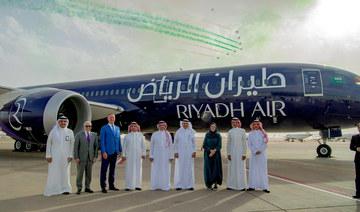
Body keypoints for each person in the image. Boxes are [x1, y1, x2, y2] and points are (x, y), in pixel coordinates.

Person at [44, 116, 75, 196]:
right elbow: (49, 143)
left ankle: (65, 189)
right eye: (61, 121)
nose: (63, 123)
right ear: (58, 122)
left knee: (65, 173)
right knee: (54, 173)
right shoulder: (53, 132)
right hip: (54, 157)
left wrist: (71, 155)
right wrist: (48, 155)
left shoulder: (70, 132)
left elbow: (72, 145)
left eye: (64, 121)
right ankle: (53, 189)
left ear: (67, 122)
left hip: (66, 157)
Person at [74, 121, 99, 194]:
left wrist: (95, 156)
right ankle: (79, 188)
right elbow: (76, 147)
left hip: (90, 158)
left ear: (91, 127)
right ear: (84, 127)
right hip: (81, 158)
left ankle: (87, 187)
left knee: (89, 174)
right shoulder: (79, 135)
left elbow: (96, 147)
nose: (88, 127)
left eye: (89, 126)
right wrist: (76, 157)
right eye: (86, 126)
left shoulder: (94, 135)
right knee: (80, 174)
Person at [100, 113, 122, 193]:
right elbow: (102, 141)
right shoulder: (104, 128)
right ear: (108, 119)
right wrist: (103, 151)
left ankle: (111, 185)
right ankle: (103, 186)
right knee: (104, 170)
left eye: (113, 118)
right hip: (107, 152)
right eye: (110, 118)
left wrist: (120, 150)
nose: (112, 119)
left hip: (115, 152)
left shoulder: (117, 128)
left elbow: (118, 139)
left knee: (112, 170)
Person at [150, 121, 174, 190]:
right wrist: (151, 155)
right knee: (156, 170)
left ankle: (165, 185)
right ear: (158, 126)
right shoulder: (154, 134)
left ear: (165, 126)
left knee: (165, 170)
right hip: (156, 155)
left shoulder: (168, 134)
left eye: (163, 125)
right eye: (160, 125)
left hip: (166, 156)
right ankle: (155, 185)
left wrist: (171, 156)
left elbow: (170, 146)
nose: (162, 127)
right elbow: (151, 146)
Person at [122, 122, 146, 191]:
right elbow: (124, 146)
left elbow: (143, 146)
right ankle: (128, 186)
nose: (133, 127)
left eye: (135, 126)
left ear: (137, 127)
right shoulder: (127, 136)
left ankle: (137, 185)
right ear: (130, 128)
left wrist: (143, 153)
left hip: (138, 155)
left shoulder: (140, 135)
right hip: (129, 155)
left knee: (138, 170)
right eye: (132, 126)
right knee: (129, 170)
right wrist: (124, 155)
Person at [247, 120, 270, 193]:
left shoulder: (263, 133)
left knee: (262, 170)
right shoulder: (251, 133)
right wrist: (254, 150)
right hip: (253, 154)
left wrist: (259, 150)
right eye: (254, 124)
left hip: (261, 154)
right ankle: (252, 186)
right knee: (253, 170)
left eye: (257, 124)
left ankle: (264, 187)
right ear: (252, 125)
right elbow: (249, 144)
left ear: (259, 125)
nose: (256, 125)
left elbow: (265, 143)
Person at [174, 119, 196, 190]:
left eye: (186, 124)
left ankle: (190, 185)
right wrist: (176, 152)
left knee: (189, 168)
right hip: (180, 153)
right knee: (180, 168)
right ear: (181, 124)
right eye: (184, 124)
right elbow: (176, 143)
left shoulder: (192, 132)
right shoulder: (178, 132)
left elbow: (194, 143)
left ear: (188, 124)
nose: (185, 125)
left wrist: (194, 151)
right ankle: (179, 185)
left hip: (189, 153)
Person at [226, 117, 247, 191]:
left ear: (238, 123)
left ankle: (241, 186)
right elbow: (228, 144)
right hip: (232, 153)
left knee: (240, 169)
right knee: (232, 169)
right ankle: (231, 185)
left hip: (240, 153)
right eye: (233, 123)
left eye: (236, 123)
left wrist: (244, 154)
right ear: (232, 123)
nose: (235, 124)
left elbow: (244, 143)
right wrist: (228, 153)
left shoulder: (242, 131)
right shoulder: (230, 131)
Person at [202, 122, 222, 191]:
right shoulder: (207, 135)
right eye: (212, 127)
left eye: (214, 127)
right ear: (210, 128)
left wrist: (214, 151)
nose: (213, 128)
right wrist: (210, 150)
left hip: (216, 155)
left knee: (216, 169)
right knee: (208, 169)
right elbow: (204, 145)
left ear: (216, 128)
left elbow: (219, 145)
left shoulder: (218, 135)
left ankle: (215, 185)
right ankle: (209, 184)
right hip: (208, 155)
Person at [350, 123, 360, 198]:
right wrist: (356, 149)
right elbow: (351, 147)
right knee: (358, 177)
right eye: (358, 128)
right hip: (358, 160)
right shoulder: (355, 137)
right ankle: (358, 193)